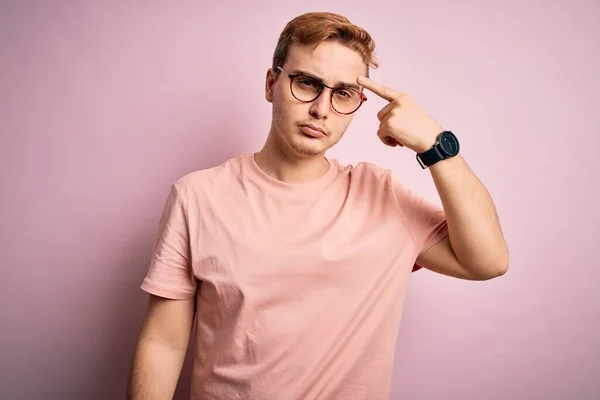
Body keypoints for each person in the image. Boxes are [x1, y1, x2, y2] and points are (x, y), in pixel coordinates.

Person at [126, 11, 509, 400]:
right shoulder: (197, 197)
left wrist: (435, 143)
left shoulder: (381, 195)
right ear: (271, 83)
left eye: (343, 93)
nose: (321, 109)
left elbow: (488, 261)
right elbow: (163, 343)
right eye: (307, 83)